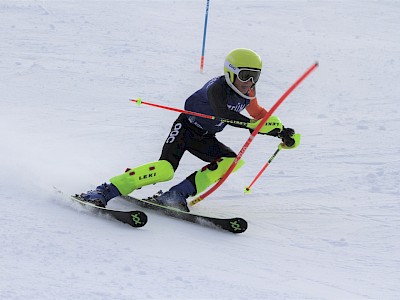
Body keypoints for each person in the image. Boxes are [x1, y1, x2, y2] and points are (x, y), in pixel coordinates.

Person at [79, 48, 300, 212]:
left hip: (204, 136)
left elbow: (258, 114)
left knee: (230, 162)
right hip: (185, 129)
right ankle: (104, 191)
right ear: (231, 73)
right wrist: (253, 127)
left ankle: (175, 196)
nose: (250, 82)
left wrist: (281, 131)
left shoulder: (248, 93)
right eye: (245, 76)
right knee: (165, 169)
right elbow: (223, 112)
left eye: (255, 76)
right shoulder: (216, 88)